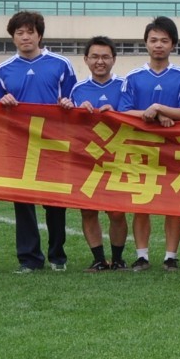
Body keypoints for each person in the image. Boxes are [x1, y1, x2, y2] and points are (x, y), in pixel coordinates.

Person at [0, 9, 78, 272]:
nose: (25, 37)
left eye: (30, 32)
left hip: (54, 144)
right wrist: (2, 103)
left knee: (55, 203)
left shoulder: (61, 64)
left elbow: (74, 99)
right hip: (19, 146)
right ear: (13, 38)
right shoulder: (3, 70)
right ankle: (29, 259)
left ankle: (57, 256)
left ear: (39, 35)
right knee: (23, 203)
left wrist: (66, 103)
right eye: (20, 33)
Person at [120, 16, 180, 271]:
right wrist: (151, 114)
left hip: (175, 150)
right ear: (145, 43)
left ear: (173, 45)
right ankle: (142, 255)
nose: (158, 45)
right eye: (153, 40)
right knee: (141, 204)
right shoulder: (133, 77)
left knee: (172, 205)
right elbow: (124, 112)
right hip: (141, 149)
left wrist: (159, 108)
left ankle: (170, 256)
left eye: (164, 40)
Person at [65, 36, 130, 272]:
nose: (99, 61)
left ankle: (118, 259)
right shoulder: (77, 89)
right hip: (86, 159)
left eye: (105, 57)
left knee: (116, 212)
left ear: (113, 59)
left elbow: (133, 117)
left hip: (117, 158)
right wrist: (74, 111)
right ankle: (99, 259)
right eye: (94, 56)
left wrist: (117, 113)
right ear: (86, 59)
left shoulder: (125, 85)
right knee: (88, 210)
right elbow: (65, 122)